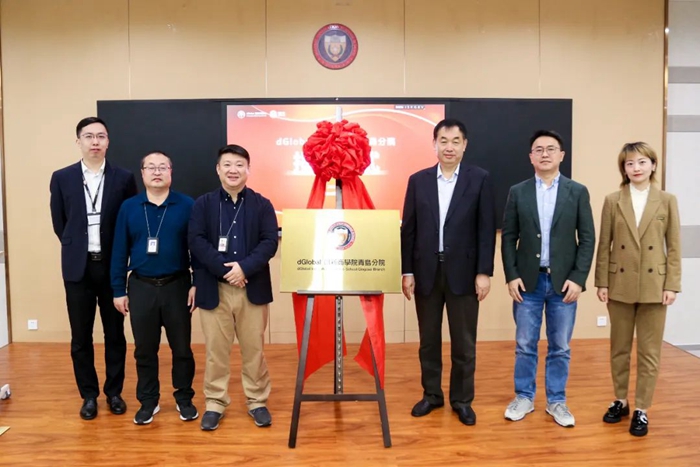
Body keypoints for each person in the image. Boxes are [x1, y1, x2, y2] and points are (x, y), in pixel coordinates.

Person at [400, 118, 496, 426]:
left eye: (456, 141)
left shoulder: (479, 179)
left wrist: (484, 272)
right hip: (426, 271)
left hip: (464, 273)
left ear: (465, 145)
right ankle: (432, 395)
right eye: (443, 141)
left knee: (464, 344)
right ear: (434, 144)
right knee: (428, 341)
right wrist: (407, 271)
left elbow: (485, 229)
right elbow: (409, 230)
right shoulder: (418, 180)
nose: (449, 147)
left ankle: (462, 400)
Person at [501, 129, 594, 428]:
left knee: (560, 347)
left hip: (564, 283)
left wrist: (578, 278)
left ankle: (556, 401)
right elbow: (509, 237)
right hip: (527, 282)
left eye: (551, 149)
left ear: (561, 155)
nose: (545, 154)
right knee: (525, 344)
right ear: (531, 156)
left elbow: (587, 239)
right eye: (538, 149)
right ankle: (524, 397)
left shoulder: (577, 191)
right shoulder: (518, 191)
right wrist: (511, 275)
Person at [49, 117, 137, 420]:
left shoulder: (124, 178)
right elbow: (60, 223)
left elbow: (129, 222)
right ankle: (88, 395)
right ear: (79, 142)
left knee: (115, 334)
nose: (95, 141)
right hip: (78, 268)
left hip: (112, 267)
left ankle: (114, 392)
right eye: (89, 136)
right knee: (80, 337)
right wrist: (78, 246)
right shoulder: (62, 177)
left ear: (108, 141)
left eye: (101, 136)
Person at [188, 144, 278, 431]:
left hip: (252, 287)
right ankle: (215, 403)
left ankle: (257, 401)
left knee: (254, 350)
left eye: (239, 165)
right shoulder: (203, 204)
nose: (233, 170)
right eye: (227, 164)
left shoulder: (262, 204)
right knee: (216, 351)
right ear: (218, 169)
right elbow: (196, 241)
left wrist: (244, 268)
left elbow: (269, 242)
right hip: (215, 289)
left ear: (248, 170)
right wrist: (227, 271)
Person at [594, 142, 681, 437]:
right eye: (630, 163)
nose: (636, 168)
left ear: (653, 165)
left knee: (649, 352)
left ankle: (642, 408)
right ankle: (620, 400)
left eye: (642, 162)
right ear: (624, 168)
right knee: (619, 348)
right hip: (619, 284)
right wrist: (602, 282)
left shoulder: (667, 200)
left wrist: (672, 285)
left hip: (655, 286)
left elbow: (674, 247)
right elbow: (604, 245)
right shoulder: (613, 200)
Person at [111, 151, 198, 425]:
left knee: (181, 349)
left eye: (162, 167)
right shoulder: (129, 207)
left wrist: (196, 283)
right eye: (151, 167)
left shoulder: (187, 205)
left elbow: (198, 248)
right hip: (141, 287)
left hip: (177, 286)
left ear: (171, 172)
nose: (157, 172)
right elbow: (119, 251)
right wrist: (118, 290)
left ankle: (184, 398)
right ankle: (148, 401)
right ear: (143, 173)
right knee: (144, 350)